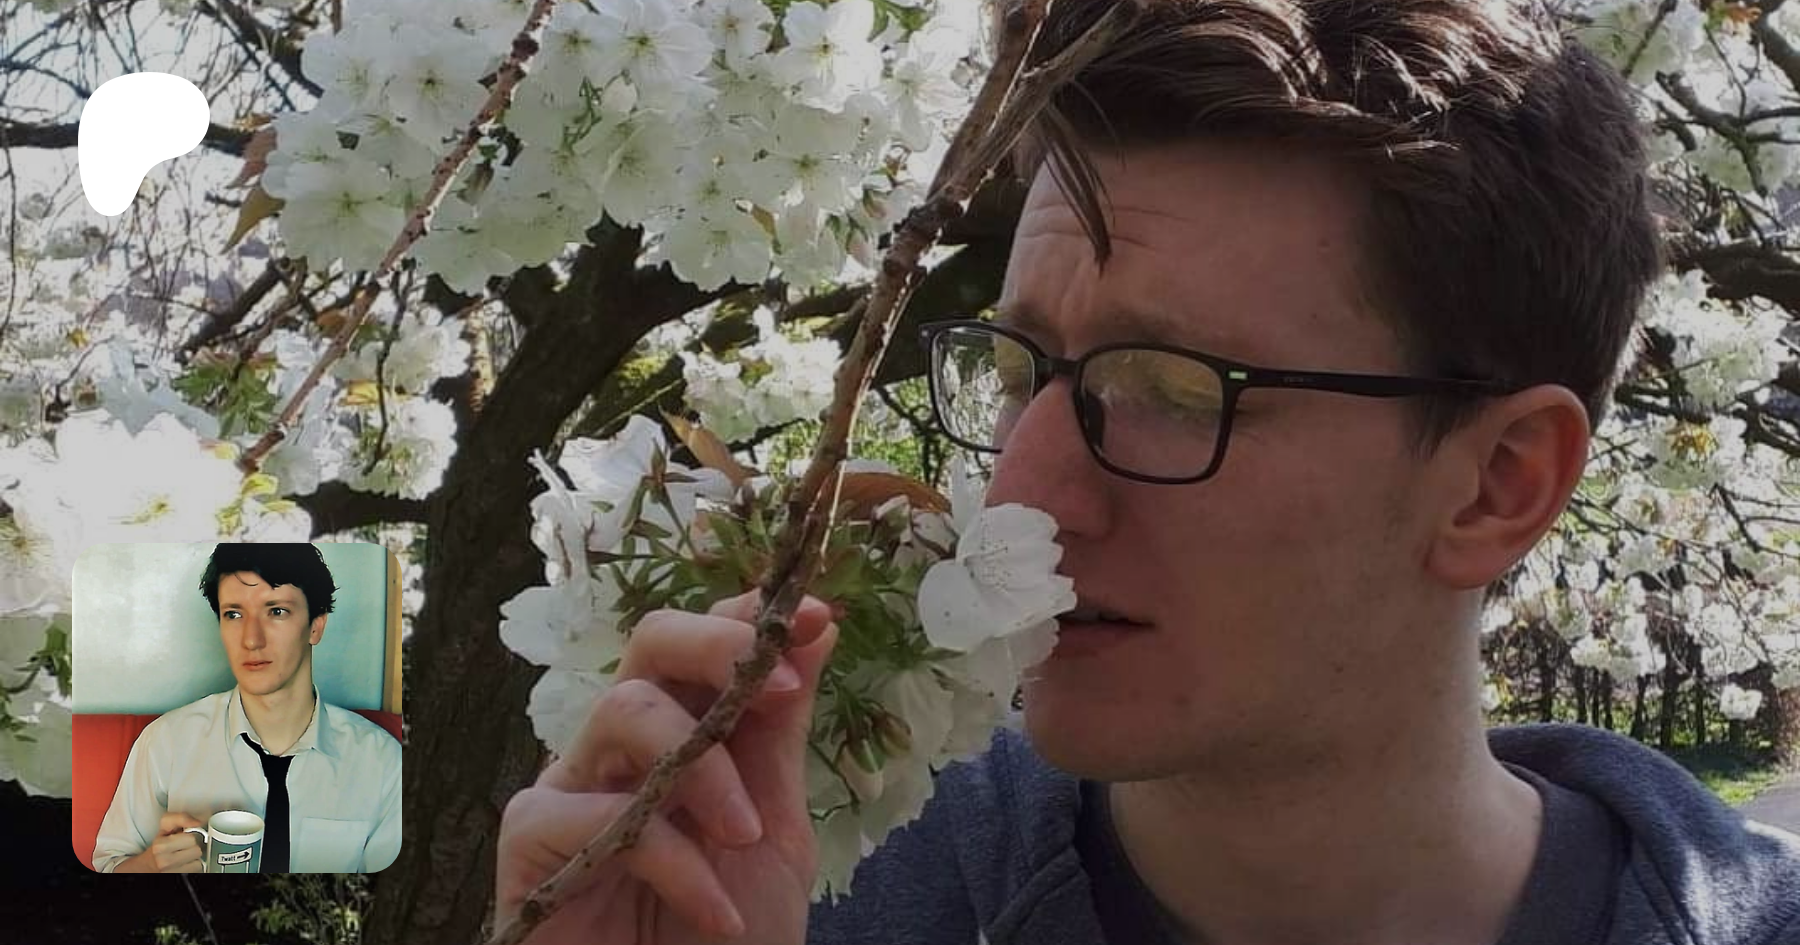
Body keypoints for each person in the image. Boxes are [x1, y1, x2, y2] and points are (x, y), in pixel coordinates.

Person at [494, 0, 1800, 942]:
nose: (1024, 493)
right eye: (1020, 371)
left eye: (1174, 392)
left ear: (1496, 484)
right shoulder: (818, 896)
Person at [93, 543, 402, 873]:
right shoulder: (165, 743)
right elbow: (108, 866)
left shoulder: (382, 763)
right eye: (234, 615)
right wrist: (150, 867)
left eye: (277, 611)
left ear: (316, 626)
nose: (251, 640)